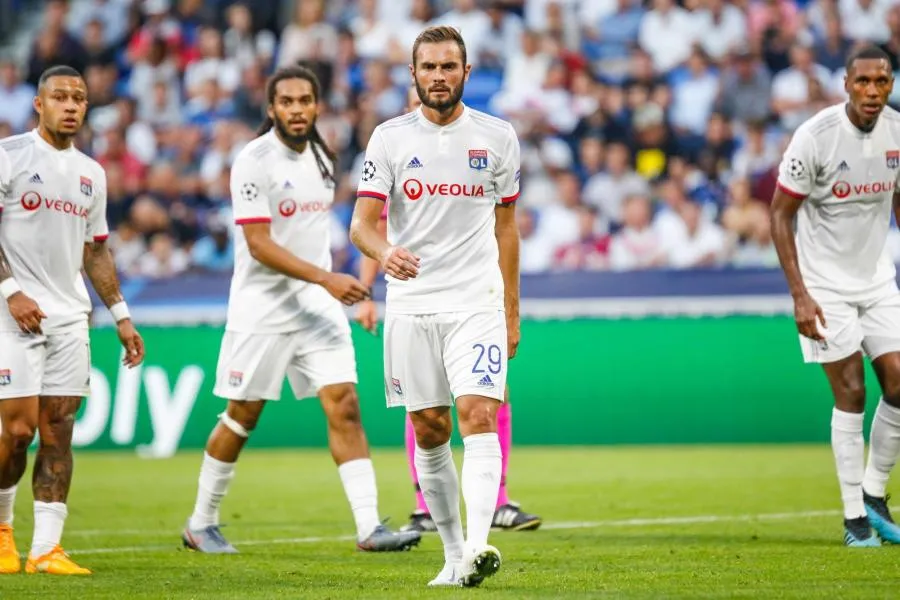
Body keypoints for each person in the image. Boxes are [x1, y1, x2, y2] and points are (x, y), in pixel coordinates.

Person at [181, 65, 421, 554]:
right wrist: (327, 278)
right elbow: (258, 244)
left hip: (316, 307)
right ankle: (200, 523)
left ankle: (369, 527)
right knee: (242, 416)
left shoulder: (320, 155)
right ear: (271, 108)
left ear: (316, 106)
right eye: (286, 102)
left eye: (304, 101)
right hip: (262, 308)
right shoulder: (253, 160)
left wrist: (330, 284)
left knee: (345, 405)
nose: (296, 109)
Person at [350, 26, 520, 587]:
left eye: (449, 66)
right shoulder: (389, 139)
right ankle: (452, 557)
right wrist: (385, 253)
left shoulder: (498, 137)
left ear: (466, 72)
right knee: (429, 427)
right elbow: (361, 226)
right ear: (414, 74)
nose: (439, 76)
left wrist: (511, 311)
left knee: (478, 415)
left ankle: (478, 544)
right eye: (429, 67)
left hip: (476, 301)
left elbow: (507, 229)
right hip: (412, 304)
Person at [0, 65, 145, 575]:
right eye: (59, 96)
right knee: (17, 431)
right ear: (39, 104)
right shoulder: (10, 155)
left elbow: (96, 251)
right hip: (11, 314)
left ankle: (46, 549)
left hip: (68, 317)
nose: (70, 105)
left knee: (58, 431)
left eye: (78, 98)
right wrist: (11, 292)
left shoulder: (91, 173)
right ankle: (2, 531)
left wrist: (121, 315)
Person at [771, 45, 900, 547]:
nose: (873, 91)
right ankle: (854, 519)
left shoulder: (897, 131)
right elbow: (780, 215)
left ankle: (874, 494)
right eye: (863, 81)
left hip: (877, 281)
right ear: (846, 84)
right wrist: (800, 296)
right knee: (851, 392)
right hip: (824, 286)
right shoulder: (816, 136)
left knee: (898, 383)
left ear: (891, 85)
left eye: (882, 81)